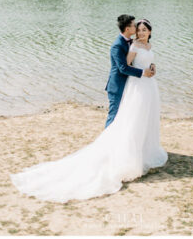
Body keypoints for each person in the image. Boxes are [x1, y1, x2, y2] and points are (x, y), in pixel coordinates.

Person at [11, 17, 168, 202]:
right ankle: (109, 150)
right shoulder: (120, 45)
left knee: (136, 119)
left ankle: (134, 149)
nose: (138, 31)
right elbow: (123, 67)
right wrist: (142, 73)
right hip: (121, 86)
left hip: (141, 85)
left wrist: (151, 68)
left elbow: (141, 61)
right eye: (136, 27)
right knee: (118, 118)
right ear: (128, 28)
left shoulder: (138, 43)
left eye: (142, 29)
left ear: (149, 31)